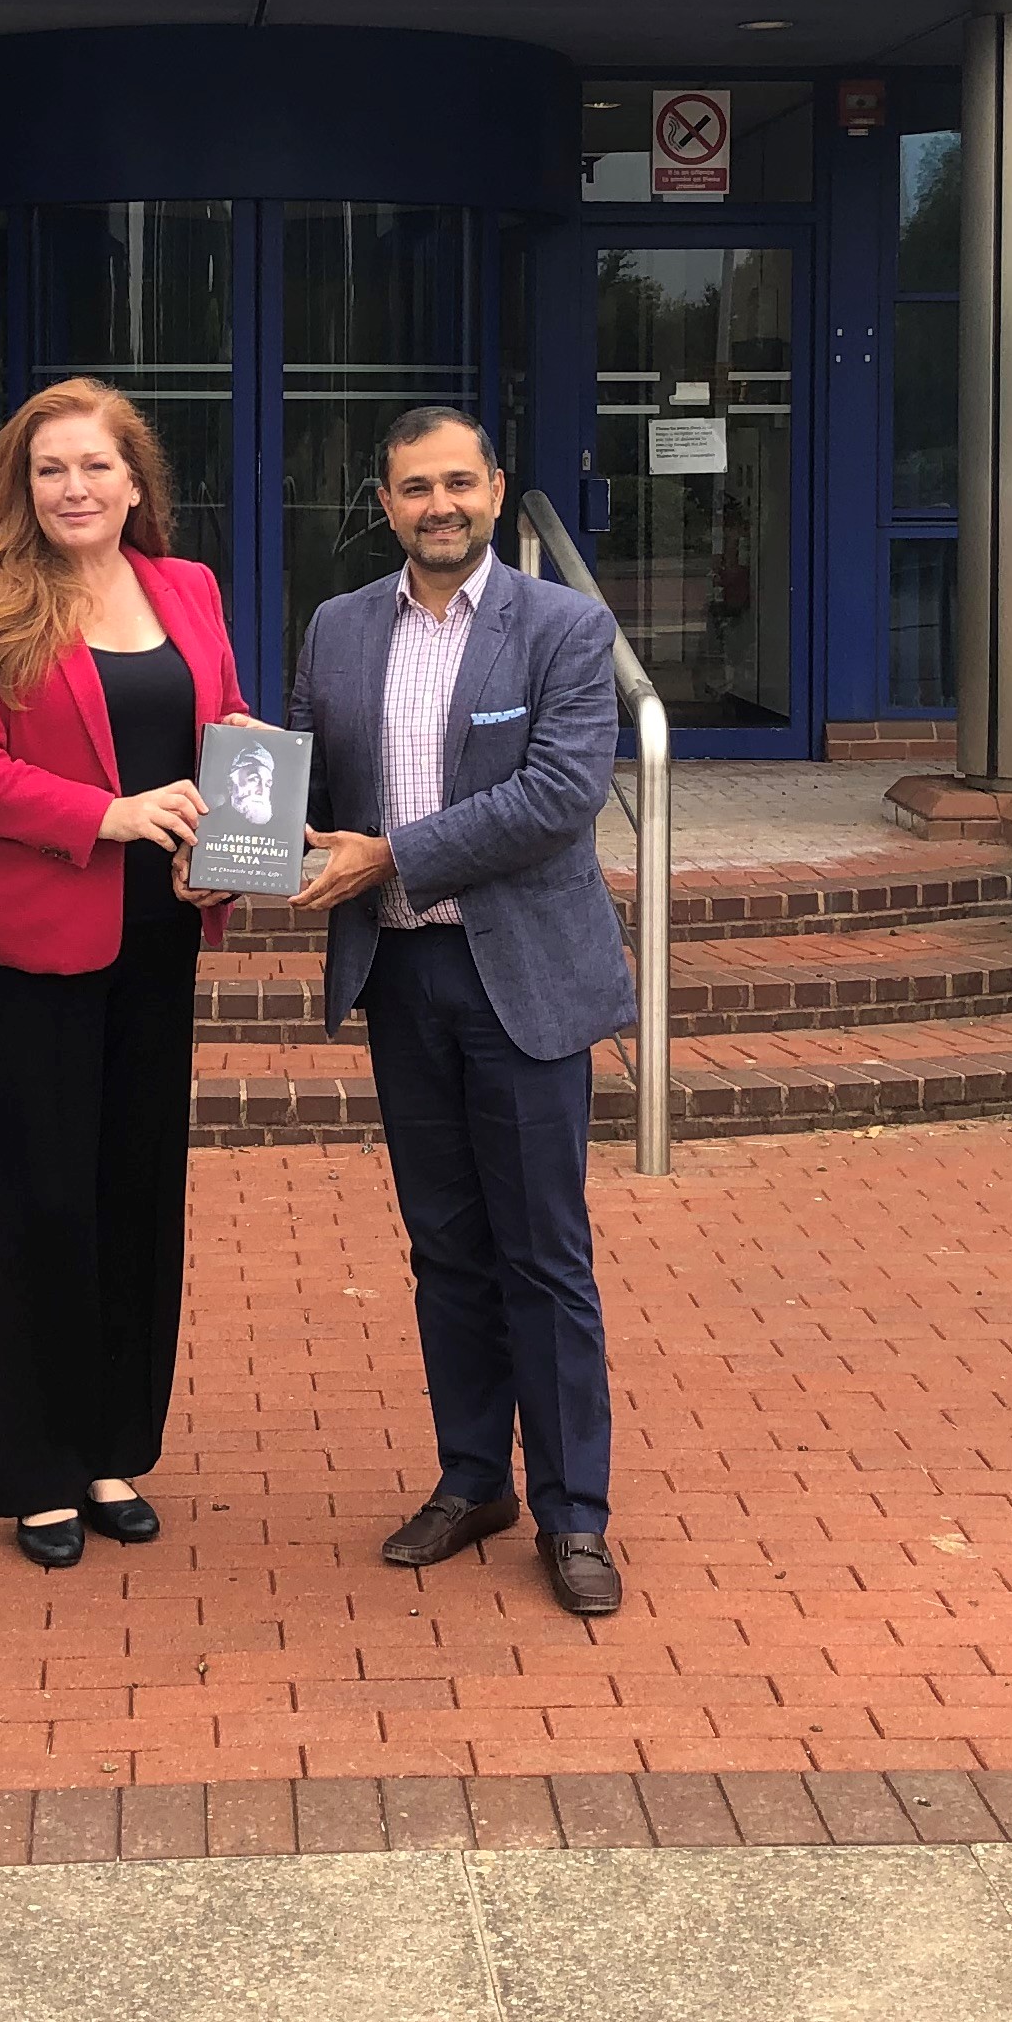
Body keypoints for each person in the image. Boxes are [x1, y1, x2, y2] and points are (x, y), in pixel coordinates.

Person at [288, 404, 636, 1618]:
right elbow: (308, 781)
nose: (438, 506)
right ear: (381, 505)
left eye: (458, 483)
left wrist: (389, 855)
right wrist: (236, 827)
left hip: (523, 982)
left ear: (496, 488)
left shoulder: (564, 626)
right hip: (401, 979)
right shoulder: (336, 629)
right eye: (411, 489)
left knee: (544, 1252)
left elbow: (559, 796)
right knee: (445, 1248)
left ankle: (575, 1513)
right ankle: (474, 1476)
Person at [0, 379, 249, 1568]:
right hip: (30, 944)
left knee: (135, 1195)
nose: (74, 488)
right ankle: (41, 1470)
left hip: (160, 939)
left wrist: (231, 849)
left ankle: (115, 1447)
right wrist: (105, 815)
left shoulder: (189, 588)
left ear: (133, 481)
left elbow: (226, 725)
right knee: (44, 1204)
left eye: (95, 467)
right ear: (24, 482)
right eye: (51, 469)